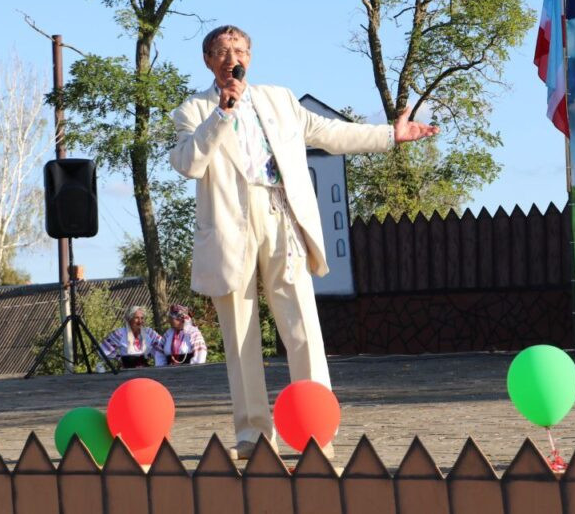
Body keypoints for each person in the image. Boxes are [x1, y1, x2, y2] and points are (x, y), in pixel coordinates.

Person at [169, 25, 438, 460]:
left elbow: (331, 133)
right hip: (229, 228)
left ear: (250, 56)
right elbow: (187, 164)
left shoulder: (279, 100)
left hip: (281, 214)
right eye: (221, 51)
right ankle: (252, 435)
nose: (231, 58)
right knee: (239, 335)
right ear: (207, 61)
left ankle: (316, 429)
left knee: (303, 328)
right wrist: (221, 113)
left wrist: (390, 135)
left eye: (238, 50)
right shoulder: (193, 110)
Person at [99, 305, 163, 369]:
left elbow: (162, 345)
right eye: (136, 318)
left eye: (142, 318)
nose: (140, 321)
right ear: (129, 319)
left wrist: (153, 355)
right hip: (127, 372)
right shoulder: (120, 333)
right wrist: (118, 358)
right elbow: (102, 350)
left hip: (146, 371)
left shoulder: (149, 332)